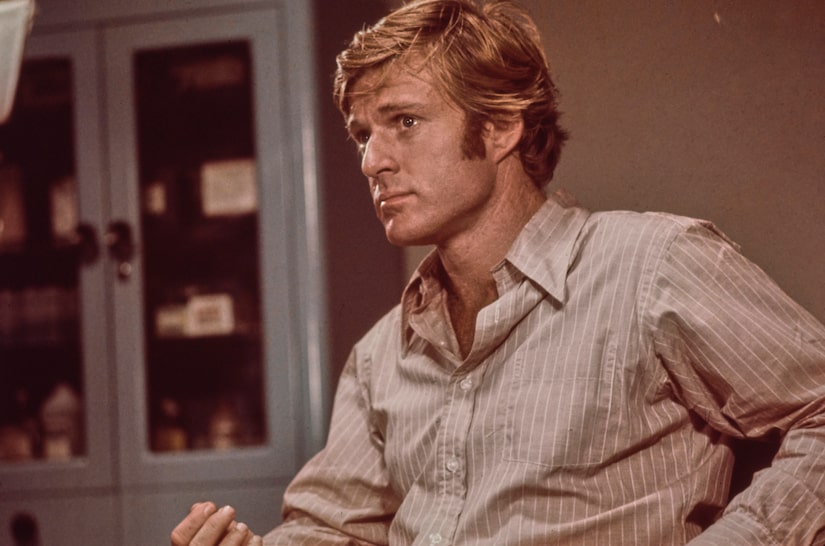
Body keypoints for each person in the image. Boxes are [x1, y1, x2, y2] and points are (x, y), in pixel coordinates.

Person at [171, 0, 825, 544]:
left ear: (502, 127)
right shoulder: (380, 355)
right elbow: (331, 529)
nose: (372, 161)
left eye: (404, 122)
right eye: (363, 134)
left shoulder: (653, 266)